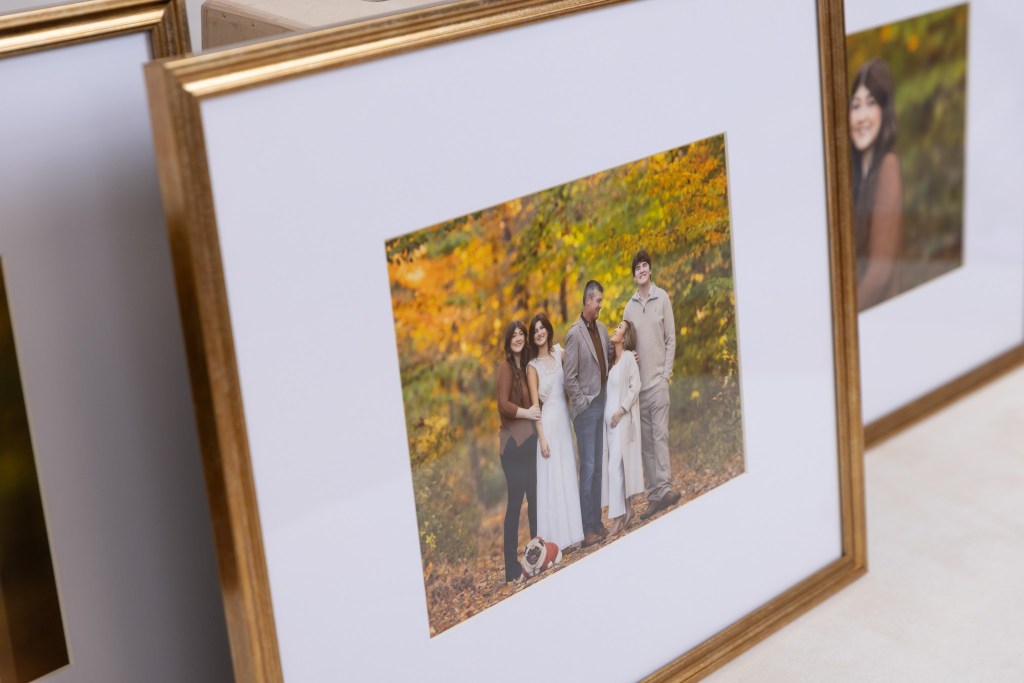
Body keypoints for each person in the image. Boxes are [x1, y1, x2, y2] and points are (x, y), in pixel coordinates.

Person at [623, 249, 682, 520]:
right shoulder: (629, 307)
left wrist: (666, 374)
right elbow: (624, 343)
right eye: (637, 268)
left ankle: (666, 488)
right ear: (634, 275)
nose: (642, 270)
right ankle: (654, 497)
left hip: (658, 382)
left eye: (645, 265)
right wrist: (629, 354)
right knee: (646, 444)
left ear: (650, 270)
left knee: (660, 437)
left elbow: (671, 338)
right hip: (639, 389)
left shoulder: (663, 298)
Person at [527, 313, 584, 551]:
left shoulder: (559, 352)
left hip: (564, 423)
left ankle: (573, 534)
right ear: (533, 336)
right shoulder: (532, 367)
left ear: (548, 330)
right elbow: (535, 407)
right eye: (535, 330)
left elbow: (580, 365)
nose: (540, 332)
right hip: (548, 426)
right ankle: (557, 539)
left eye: (543, 328)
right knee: (552, 479)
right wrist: (541, 438)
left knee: (567, 474)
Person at [849, 57, 903, 311]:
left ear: (884, 109)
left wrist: (846, 316)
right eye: (855, 106)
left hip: (879, 318)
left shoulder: (888, 167)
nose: (861, 117)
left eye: (870, 104)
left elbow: (879, 273)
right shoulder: (856, 173)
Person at [563, 280, 611, 548]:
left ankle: (597, 524)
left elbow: (611, 355)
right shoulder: (574, 334)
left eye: (602, 301)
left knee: (597, 469)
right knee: (588, 468)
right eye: (598, 301)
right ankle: (586, 529)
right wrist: (583, 404)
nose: (601, 306)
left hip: (602, 406)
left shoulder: (602, 329)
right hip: (585, 412)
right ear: (587, 301)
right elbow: (569, 378)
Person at [496, 320, 541, 582]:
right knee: (515, 505)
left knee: (534, 498)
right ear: (507, 340)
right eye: (513, 335)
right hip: (512, 447)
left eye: (521, 334)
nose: (518, 338)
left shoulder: (525, 368)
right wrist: (527, 413)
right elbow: (503, 405)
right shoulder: (505, 368)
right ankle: (510, 567)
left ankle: (536, 549)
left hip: (530, 444)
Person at [601, 319, 644, 537]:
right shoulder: (614, 361)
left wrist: (620, 411)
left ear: (625, 337)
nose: (615, 329)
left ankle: (617, 518)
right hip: (609, 428)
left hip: (620, 422)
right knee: (617, 468)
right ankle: (627, 511)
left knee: (614, 468)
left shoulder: (628, 358)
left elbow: (635, 387)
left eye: (619, 328)